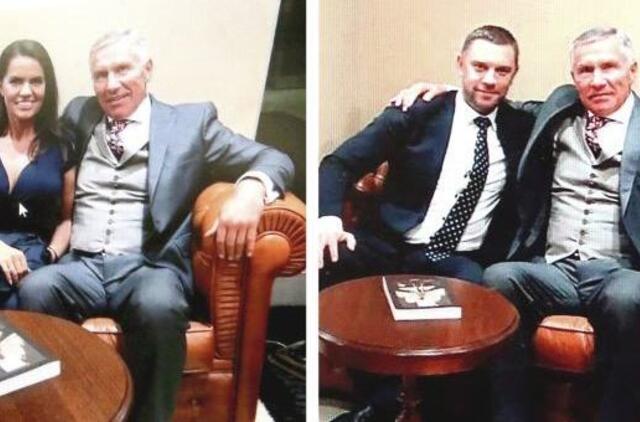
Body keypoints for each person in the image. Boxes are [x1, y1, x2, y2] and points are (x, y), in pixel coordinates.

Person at [17, 30, 293, 421]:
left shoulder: (189, 123)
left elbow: (274, 158)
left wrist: (250, 191)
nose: (111, 84)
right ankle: (60, 412)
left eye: (122, 70)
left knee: (159, 307)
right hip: (81, 264)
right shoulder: (80, 114)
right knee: (35, 289)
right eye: (100, 75)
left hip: (148, 266)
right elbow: (31, 144)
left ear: (147, 69)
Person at [393, 26, 640, 422]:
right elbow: (497, 103)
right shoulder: (559, 109)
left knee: (631, 297)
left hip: (618, 270)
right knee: (499, 278)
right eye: (585, 70)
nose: (597, 80)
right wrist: (445, 94)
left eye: (608, 67)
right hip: (554, 268)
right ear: (573, 76)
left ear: (632, 70)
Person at [319, 25, 534, 289]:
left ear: (514, 73)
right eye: (479, 67)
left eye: (502, 71)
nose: (490, 79)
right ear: (460, 64)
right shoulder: (418, 112)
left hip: (458, 259)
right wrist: (328, 219)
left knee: (482, 294)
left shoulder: (522, 128)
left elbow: (563, 102)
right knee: (329, 254)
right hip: (389, 245)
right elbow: (339, 163)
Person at [0, 40, 75, 309]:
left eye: (36, 81)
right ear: (1, 86)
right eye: (16, 81)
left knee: (26, 298)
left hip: (33, 258)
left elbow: (67, 218)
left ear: (47, 87)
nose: (26, 91)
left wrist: (50, 254)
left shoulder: (63, 146)